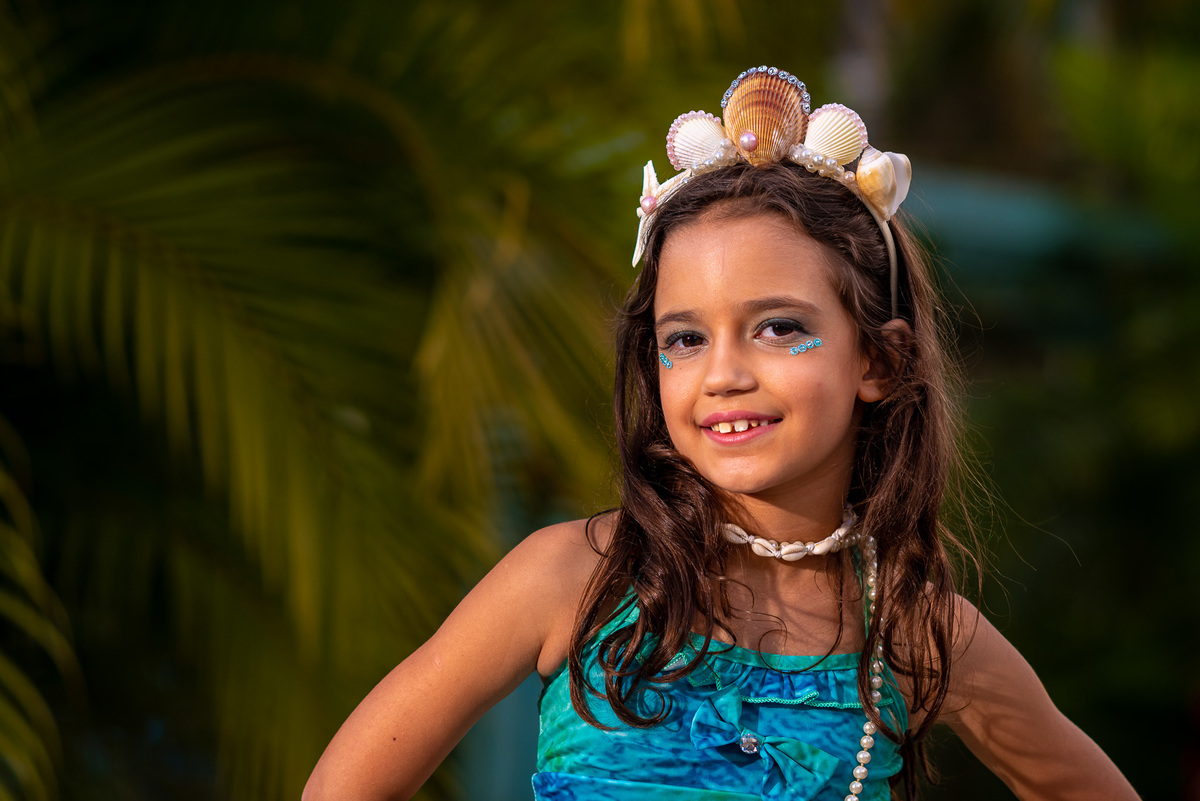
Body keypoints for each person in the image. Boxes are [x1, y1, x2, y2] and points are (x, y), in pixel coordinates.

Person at [303, 67, 1139, 801]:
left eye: (778, 327)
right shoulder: (570, 579)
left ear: (878, 362)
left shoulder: (916, 631)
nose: (723, 373)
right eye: (685, 338)